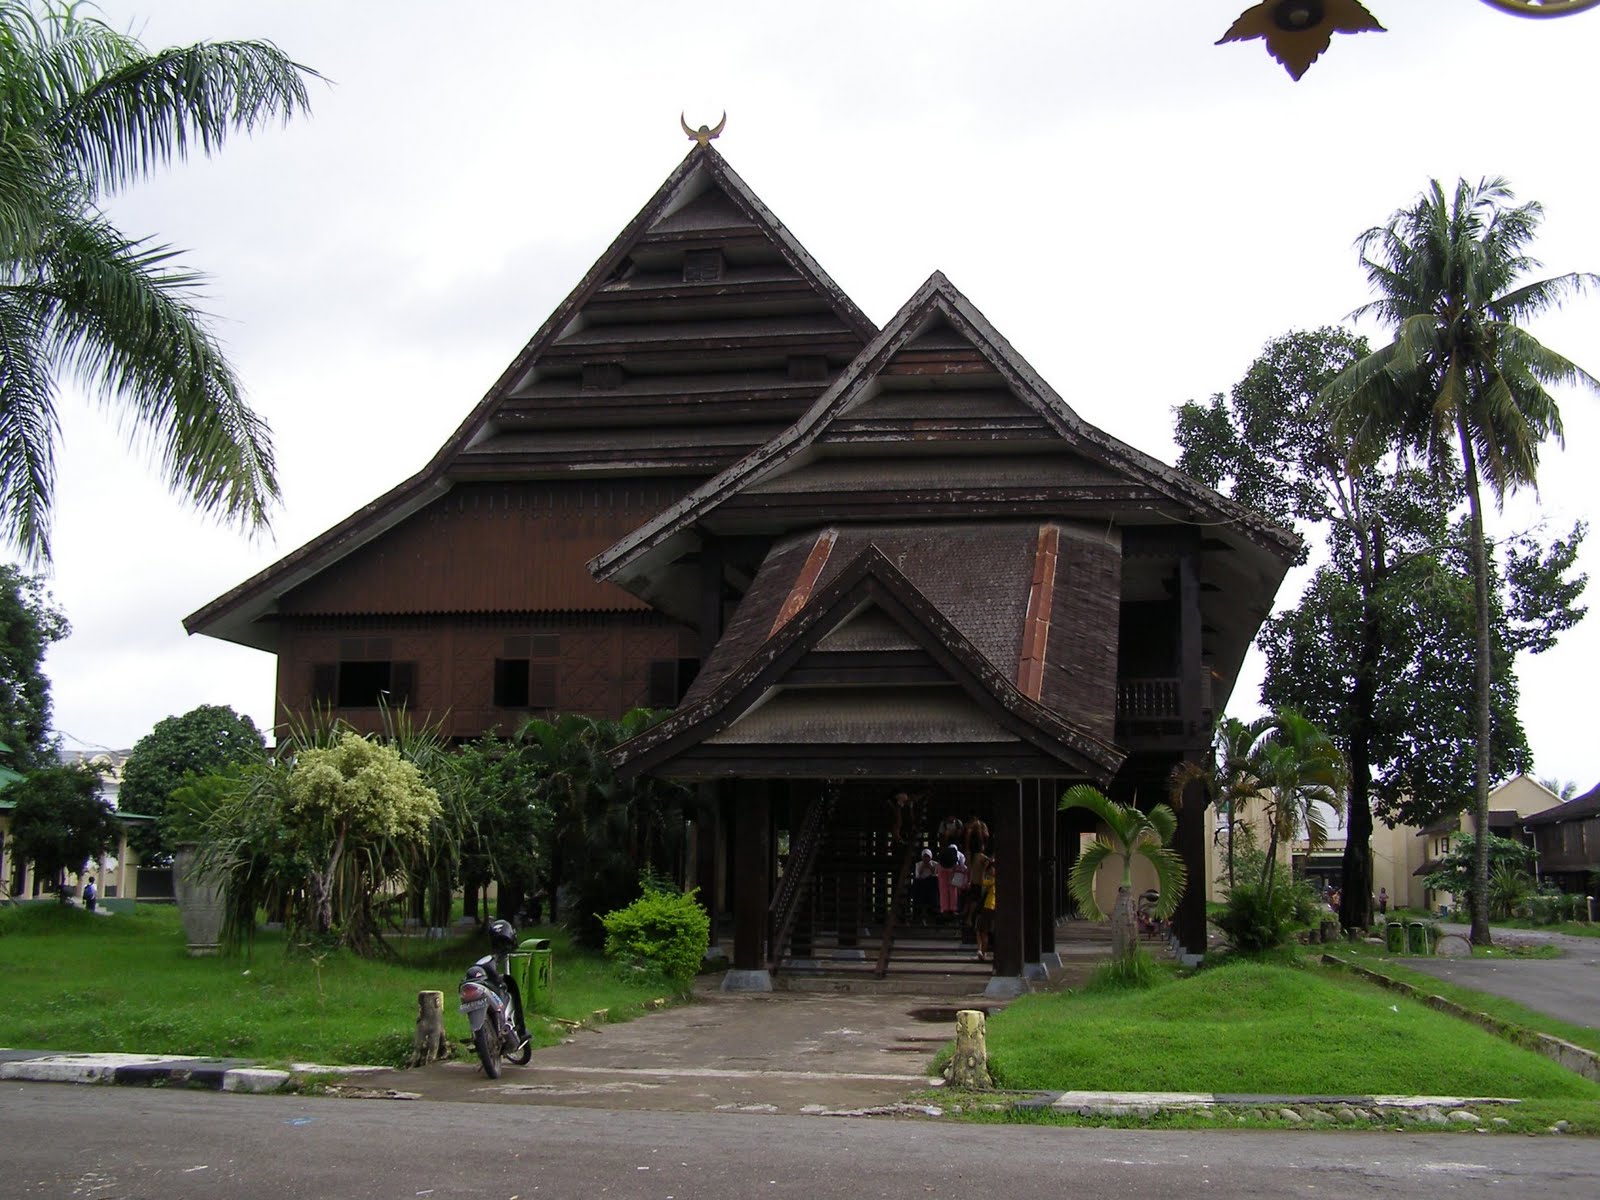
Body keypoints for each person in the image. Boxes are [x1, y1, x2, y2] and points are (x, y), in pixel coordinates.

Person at [974, 856, 997, 961]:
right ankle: (982, 951)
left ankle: (983, 952)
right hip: (991, 907)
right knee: (983, 930)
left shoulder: (992, 880)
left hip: (989, 906)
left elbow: (982, 882)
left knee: (983, 930)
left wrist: (984, 870)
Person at [912, 848, 938, 924]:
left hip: (931, 883)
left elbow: (935, 874)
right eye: (924, 856)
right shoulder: (918, 864)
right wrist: (922, 867)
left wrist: (930, 867)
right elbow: (917, 876)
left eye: (928, 856)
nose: (926, 858)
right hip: (921, 883)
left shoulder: (935, 864)